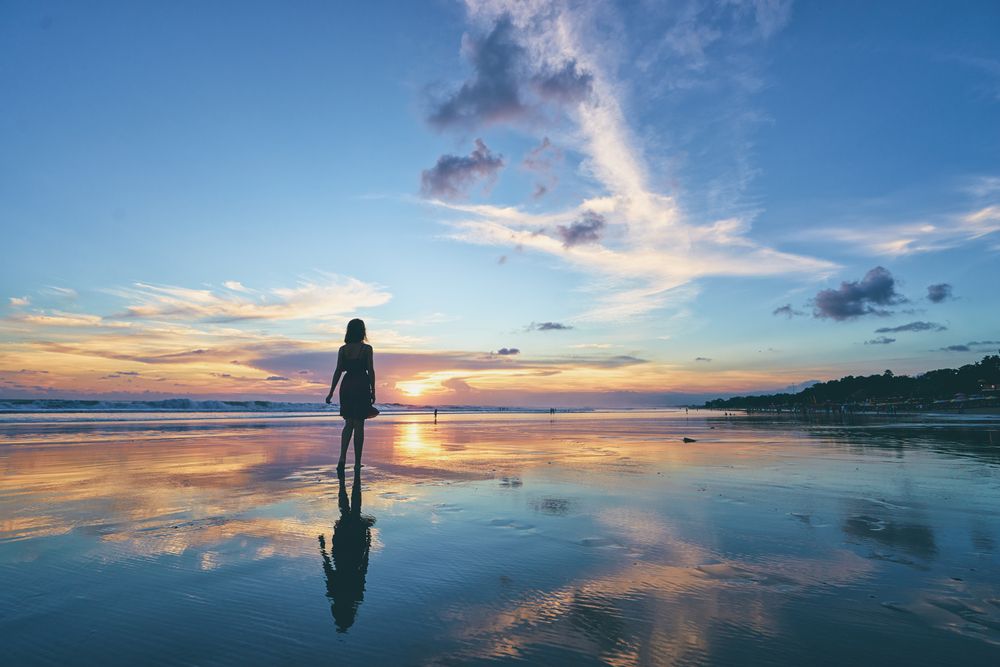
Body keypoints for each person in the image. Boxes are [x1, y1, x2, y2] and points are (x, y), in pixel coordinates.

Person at [325, 318, 376, 470]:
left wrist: (331, 392)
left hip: (346, 386)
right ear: (362, 331)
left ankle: (342, 458)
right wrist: (373, 390)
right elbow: (370, 370)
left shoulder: (343, 349)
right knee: (359, 424)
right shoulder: (367, 349)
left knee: (348, 423)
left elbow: (338, 371)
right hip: (361, 384)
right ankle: (357, 462)